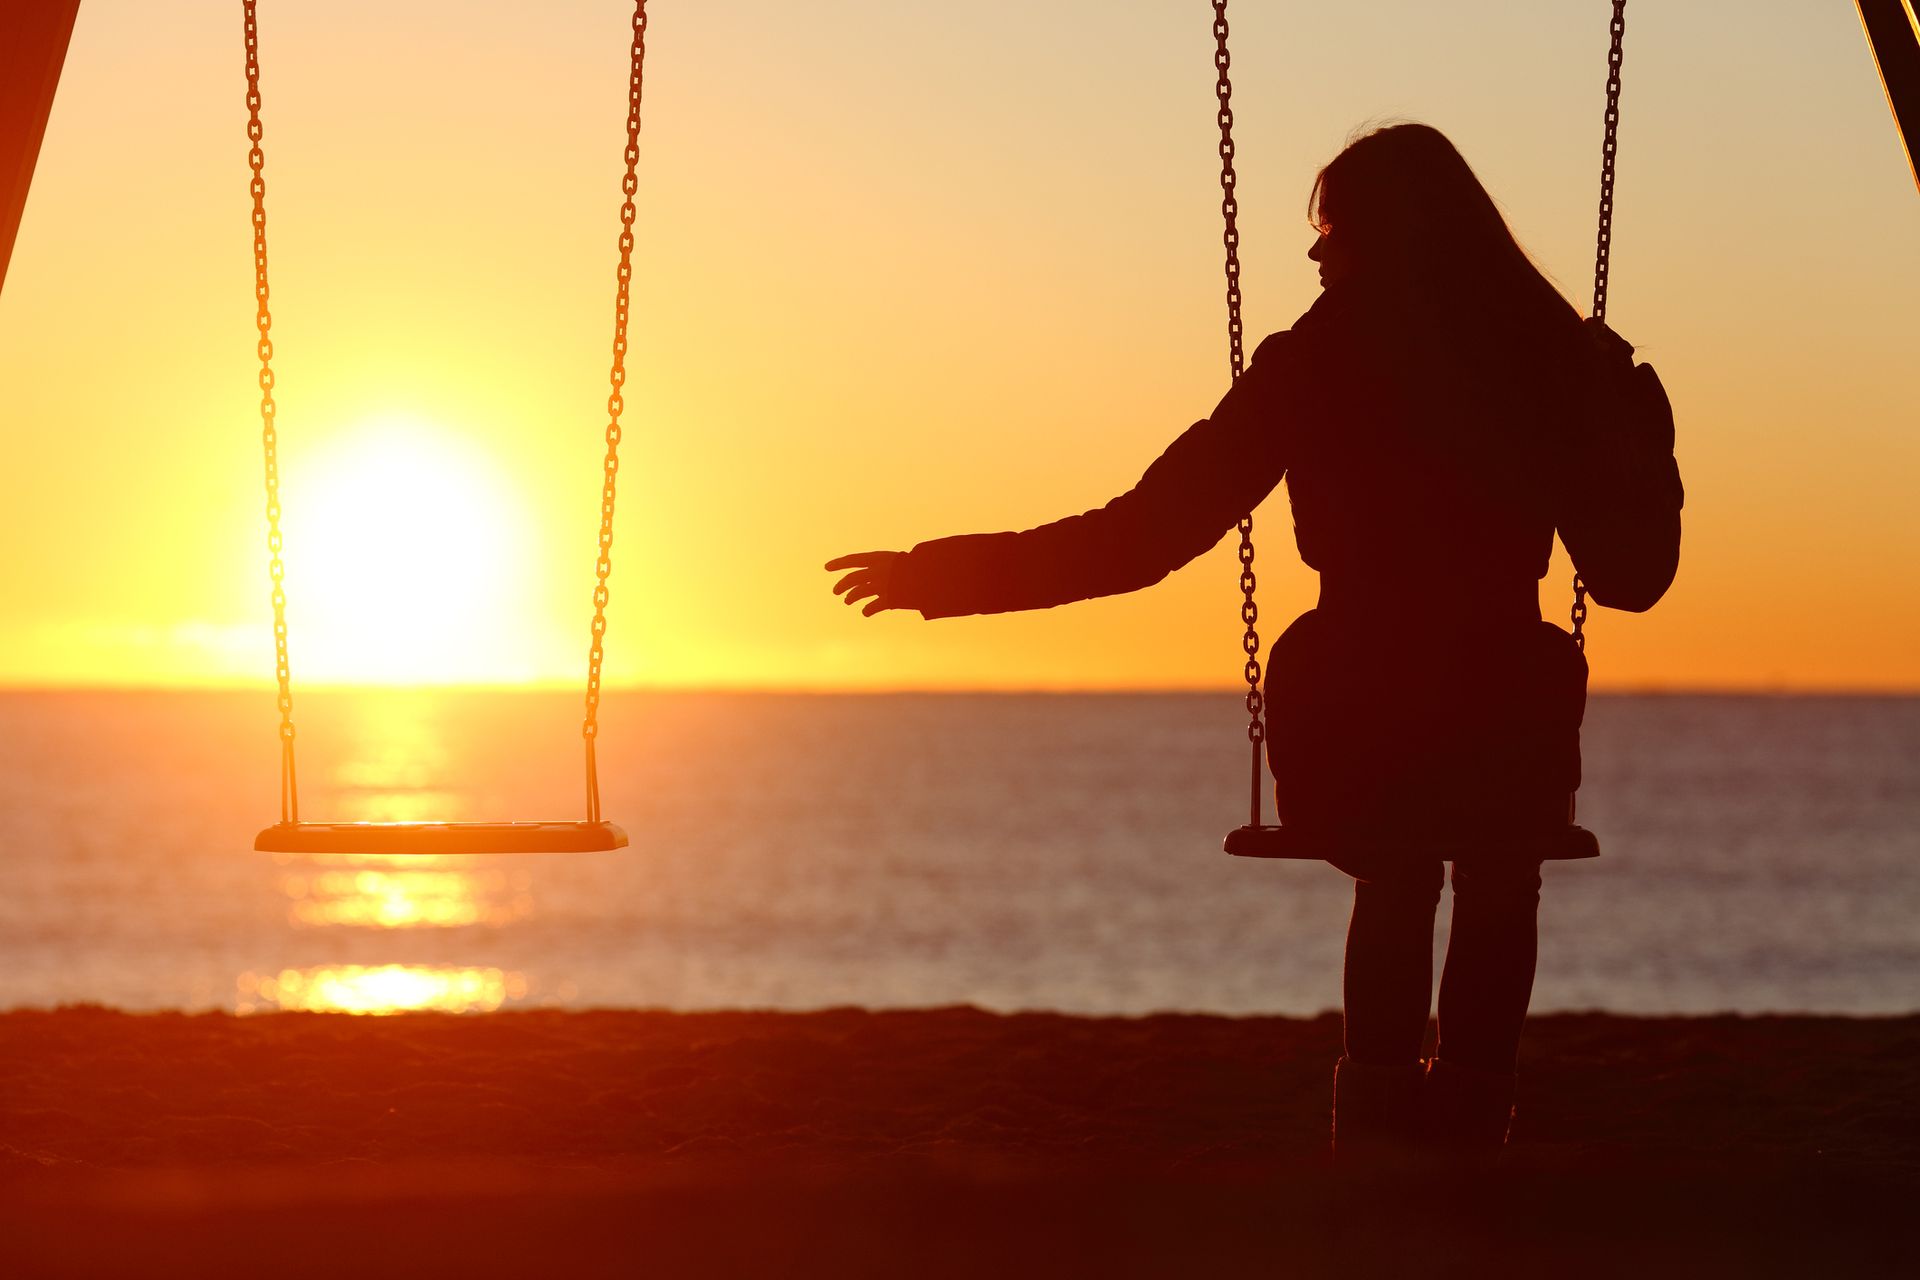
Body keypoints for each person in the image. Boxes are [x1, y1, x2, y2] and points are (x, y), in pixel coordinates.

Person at [825, 123, 1679, 1163]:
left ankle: (1378, 1141)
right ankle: (1468, 1130)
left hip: (1360, 711)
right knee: (1498, 870)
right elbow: (1633, 579)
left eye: (1333, 231)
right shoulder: (1545, 362)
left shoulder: (1312, 365)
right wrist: (1638, 427)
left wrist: (946, 576)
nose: (1315, 256)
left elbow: (1141, 536)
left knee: (1400, 865)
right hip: (1503, 712)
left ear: (1388, 238)